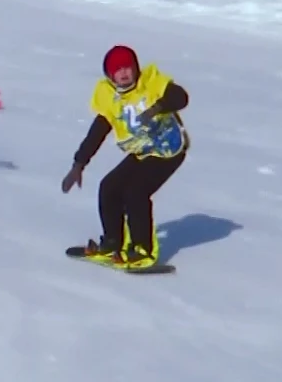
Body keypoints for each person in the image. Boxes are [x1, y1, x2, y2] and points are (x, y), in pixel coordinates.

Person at [59, 45, 189, 269]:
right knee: (109, 187)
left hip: (168, 149)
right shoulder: (109, 97)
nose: (124, 73)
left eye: (128, 67)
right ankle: (113, 243)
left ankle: (142, 251)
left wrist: (157, 107)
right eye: (117, 70)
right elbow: (97, 133)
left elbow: (181, 97)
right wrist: (78, 164)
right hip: (142, 151)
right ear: (109, 76)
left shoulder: (149, 82)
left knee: (135, 192)